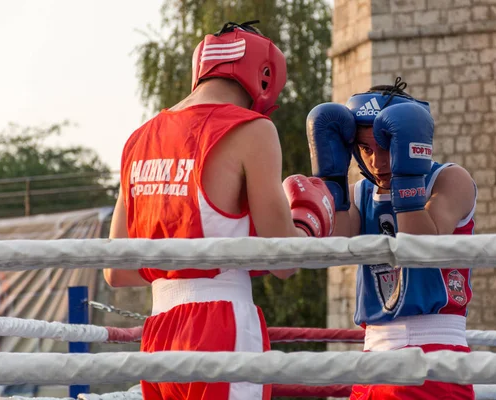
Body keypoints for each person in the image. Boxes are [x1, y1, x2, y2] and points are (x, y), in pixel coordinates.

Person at [103, 20, 335, 400]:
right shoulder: (252, 130)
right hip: (222, 325)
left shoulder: (140, 138)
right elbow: (284, 260)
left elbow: (118, 270)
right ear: (265, 76)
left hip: (159, 332)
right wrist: (305, 227)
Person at [306, 77, 477, 399]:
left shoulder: (450, 179)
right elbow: (328, 247)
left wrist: (407, 176)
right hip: (373, 356)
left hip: (433, 352)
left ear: (411, 143)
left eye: (386, 147)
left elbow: (420, 245)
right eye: (365, 149)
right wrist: (332, 183)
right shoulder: (360, 193)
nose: (376, 161)